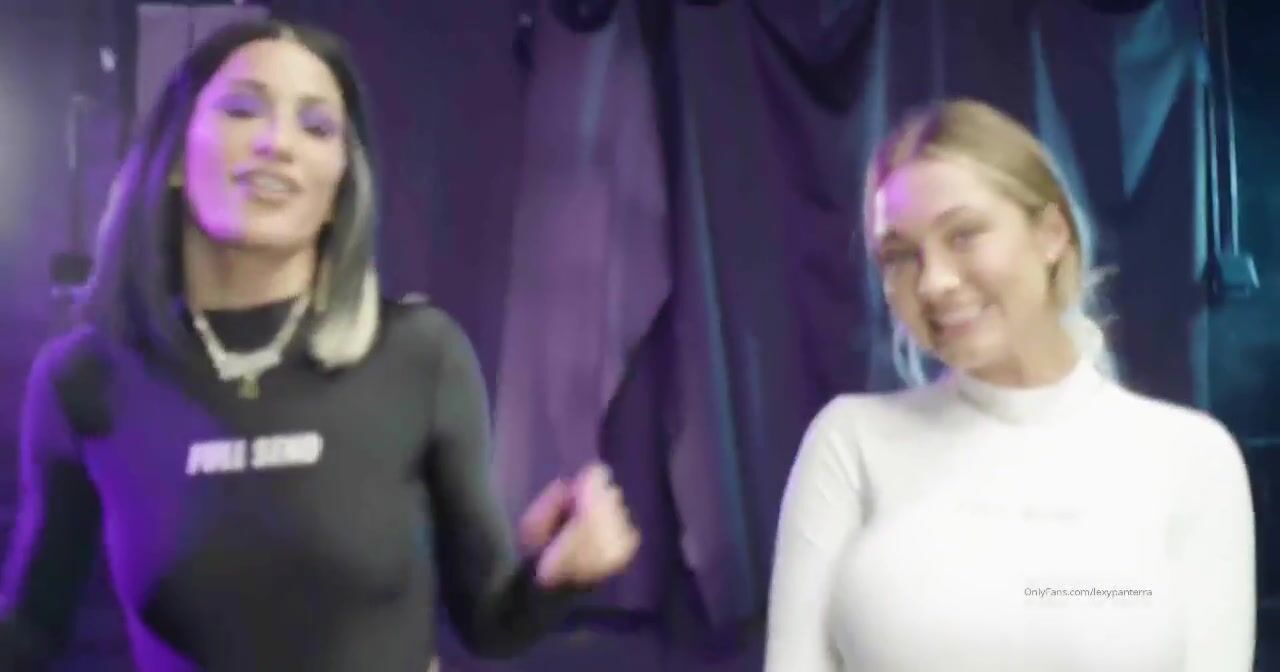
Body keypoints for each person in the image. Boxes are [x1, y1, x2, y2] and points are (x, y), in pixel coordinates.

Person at [0, 19, 639, 672]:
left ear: (339, 185)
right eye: (243, 109)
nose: (277, 142)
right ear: (176, 158)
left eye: (316, 126)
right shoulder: (84, 379)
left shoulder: (422, 357)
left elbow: (491, 622)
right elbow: (31, 631)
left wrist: (560, 573)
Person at [764, 99, 1255, 671]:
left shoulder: (1190, 456)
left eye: (964, 235)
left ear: (1051, 234)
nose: (934, 282)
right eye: (899, 256)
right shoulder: (851, 442)